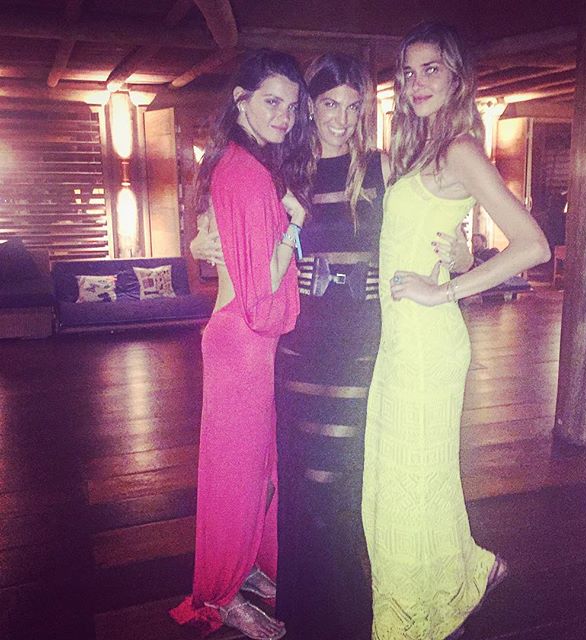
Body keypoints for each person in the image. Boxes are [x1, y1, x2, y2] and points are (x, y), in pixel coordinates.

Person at [274, 53, 473, 640]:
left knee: (342, 482)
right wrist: (209, 239)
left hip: (362, 344)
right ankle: (307, 616)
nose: (341, 119)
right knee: (303, 480)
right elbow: (251, 236)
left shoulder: (385, 168)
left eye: (353, 106)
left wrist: (461, 255)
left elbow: (436, 225)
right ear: (311, 107)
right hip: (301, 343)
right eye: (330, 104)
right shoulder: (288, 168)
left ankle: (348, 617)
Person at [361, 23, 550, 640]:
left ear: (456, 77)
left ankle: (417, 617)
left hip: (428, 341)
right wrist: (461, 260)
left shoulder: (460, 150)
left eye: (431, 69)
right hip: (400, 341)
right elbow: (428, 234)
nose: (416, 83)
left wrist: (444, 289)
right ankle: (463, 574)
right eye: (408, 72)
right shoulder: (418, 149)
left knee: (409, 482)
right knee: (409, 478)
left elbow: (533, 245)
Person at [169, 49, 313, 640]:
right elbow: (260, 292)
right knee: (235, 471)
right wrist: (296, 225)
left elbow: (225, 245)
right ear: (241, 101)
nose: (284, 116)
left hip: (243, 339)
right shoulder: (246, 172)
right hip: (244, 338)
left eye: (292, 106)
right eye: (271, 102)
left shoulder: (242, 163)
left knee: (257, 466)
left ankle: (248, 564)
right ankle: (219, 593)